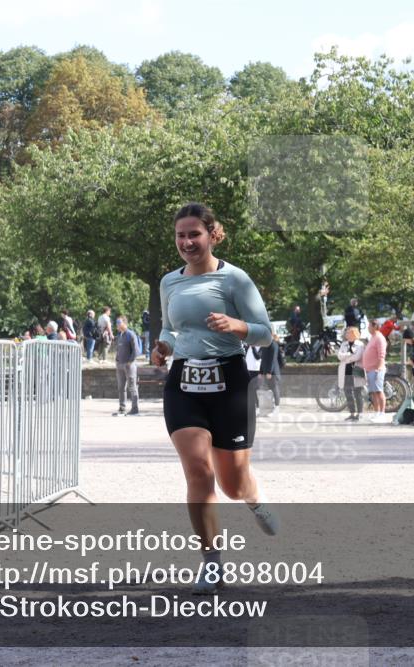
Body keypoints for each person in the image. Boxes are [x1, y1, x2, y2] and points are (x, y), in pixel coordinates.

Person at [149, 202, 278, 596]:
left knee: (233, 483)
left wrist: (237, 325)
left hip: (230, 382)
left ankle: (253, 499)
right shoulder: (169, 282)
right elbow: (172, 328)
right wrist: (163, 347)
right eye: (180, 235)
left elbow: (265, 333)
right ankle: (211, 562)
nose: (187, 242)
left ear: (211, 235)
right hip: (185, 382)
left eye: (194, 234)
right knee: (199, 472)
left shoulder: (235, 280)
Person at [361, 318, 388, 422]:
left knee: (378, 391)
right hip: (370, 369)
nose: (368, 328)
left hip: (376, 369)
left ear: (374, 326)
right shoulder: (373, 337)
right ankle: (377, 412)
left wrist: (378, 369)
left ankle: (382, 413)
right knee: (373, 392)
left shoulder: (379, 338)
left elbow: (382, 355)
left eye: (369, 326)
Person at [336, 326, 366, 421]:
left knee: (358, 392)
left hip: (356, 370)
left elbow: (357, 357)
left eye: (348, 333)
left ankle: (360, 413)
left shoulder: (360, 344)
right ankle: (352, 413)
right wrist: (349, 355)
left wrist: (346, 357)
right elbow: (339, 356)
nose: (346, 334)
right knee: (347, 392)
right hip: (346, 370)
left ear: (353, 334)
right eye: (346, 333)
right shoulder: (344, 344)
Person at [115, 315, 140, 416]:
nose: (117, 324)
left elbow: (136, 350)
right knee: (121, 387)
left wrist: (130, 362)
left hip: (129, 366)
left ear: (124, 323)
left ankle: (135, 409)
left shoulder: (130, 334)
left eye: (119, 322)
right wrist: (116, 360)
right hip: (120, 365)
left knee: (132, 387)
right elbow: (118, 349)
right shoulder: (120, 335)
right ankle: (122, 408)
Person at [259, 329, 283, 418]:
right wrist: (261, 372)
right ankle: (271, 408)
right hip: (267, 372)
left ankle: (277, 409)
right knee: (269, 391)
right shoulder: (265, 345)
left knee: (275, 390)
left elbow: (273, 359)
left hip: (273, 372)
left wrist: (269, 372)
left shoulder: (274, 344)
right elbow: (263, 359)